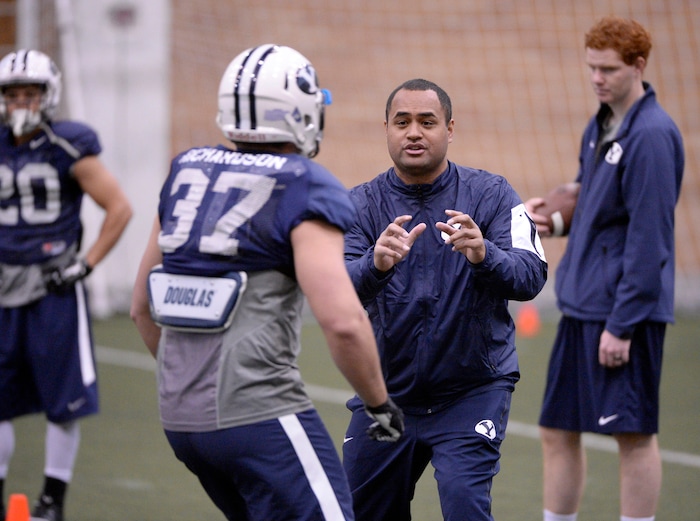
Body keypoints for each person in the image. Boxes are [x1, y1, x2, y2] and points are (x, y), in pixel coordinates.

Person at [130, 44, 404, 521]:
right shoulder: (304, 183)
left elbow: (141, 306)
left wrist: (191, 388)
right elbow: (342, 322)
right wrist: (379, 403)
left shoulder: (186, 169)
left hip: (180, 418)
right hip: (258, 412)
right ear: (297, 111)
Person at [342, 78, 548, 521]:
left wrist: (484, 255)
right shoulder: (358, 205)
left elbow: (532, 274)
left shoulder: (491, 194)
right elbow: (335, 289)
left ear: (449, 129)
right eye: (402, 122)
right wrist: (373, 266)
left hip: (470, 392)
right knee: (361, 512)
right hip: (385, 396)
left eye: (427, 121)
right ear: (386, 129)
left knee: (465, 505)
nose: (414, 132)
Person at [524, 17, 684, 521]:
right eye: (592, 67)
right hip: (582, 303)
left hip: (621, 313)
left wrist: (623, 325)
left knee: (633, 436)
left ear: (638, 66)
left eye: (608, 69)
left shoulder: (653, 135)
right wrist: (551, 217)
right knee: (557, 429)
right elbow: (589, 196)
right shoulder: (602, 122)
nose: (597, 78)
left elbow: (649, 238)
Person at [0, 49, 133, 521]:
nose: (20, 103)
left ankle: (52, 500)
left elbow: (118, 208)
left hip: (52, 284)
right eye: (12, 94)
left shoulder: (68, 143)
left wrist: (85, 265)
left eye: (29, 93)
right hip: (2, 284)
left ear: (47, 95)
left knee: (63, 400)